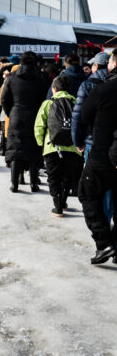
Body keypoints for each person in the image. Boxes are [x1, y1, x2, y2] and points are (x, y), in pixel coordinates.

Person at [78, 49, 117, 264]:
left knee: (88, 193)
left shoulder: (101, 90)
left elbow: (84, 115)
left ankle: (104, 242)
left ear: (112, 65)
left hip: (103, 153)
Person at [34, 75, 83, 217]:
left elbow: (39, 125)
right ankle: (63, 201)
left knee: (53, 176)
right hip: (73, 147)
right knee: (67, 176)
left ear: (54, 89)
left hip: (52, 147)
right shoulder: (76, 103)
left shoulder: (48, 104)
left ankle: (57, 205)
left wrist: (40, 143)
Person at [0, 51, 48, 192]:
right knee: (33, 151)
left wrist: (11, 112)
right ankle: (33, 183)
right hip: (35, 116)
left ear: (21, 61)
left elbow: (4, 99)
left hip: (16, 116)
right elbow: (45, 98)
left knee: (16, 151)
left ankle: (14, 184)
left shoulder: (12, 78)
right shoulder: (41, 78)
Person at [72, 51, 112, 211]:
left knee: (93, 184)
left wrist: (77, 141)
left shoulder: (88, 85)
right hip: (112, 142)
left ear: (96, 66)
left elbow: (78, 116)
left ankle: (100, 223)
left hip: (92, 141)